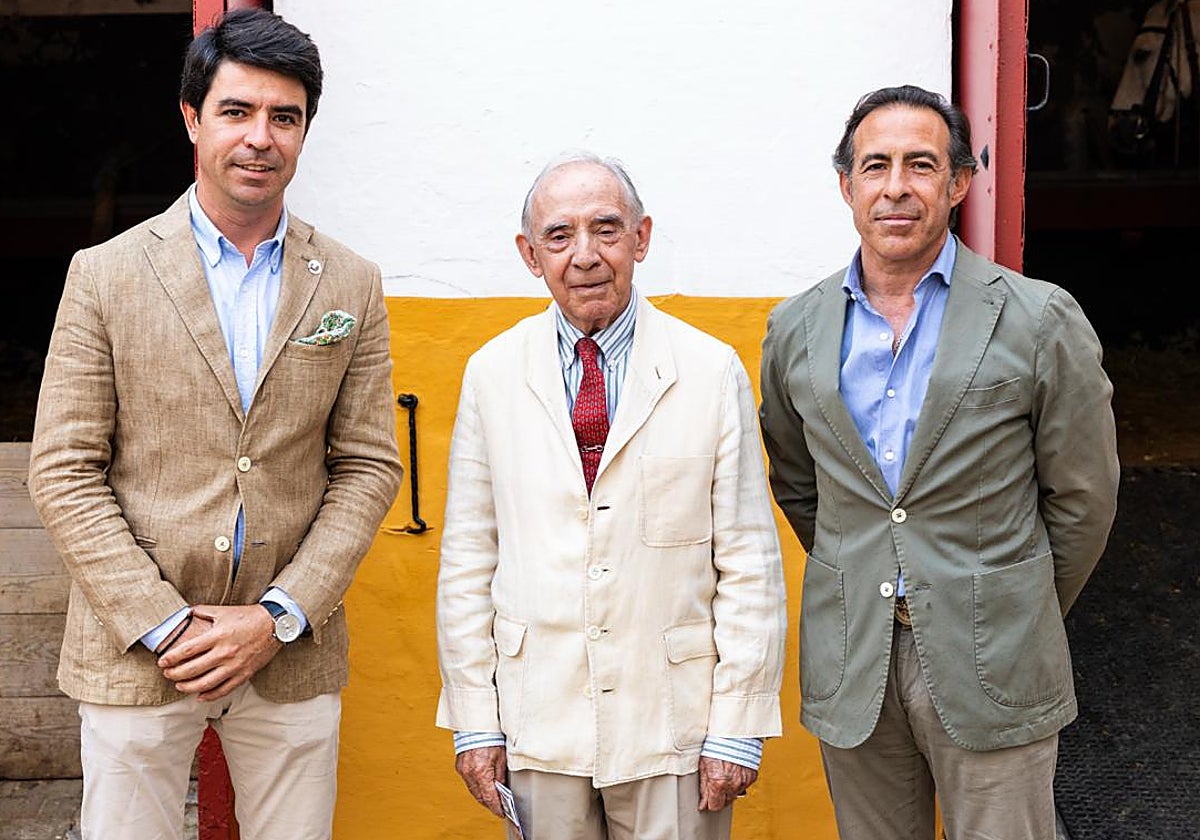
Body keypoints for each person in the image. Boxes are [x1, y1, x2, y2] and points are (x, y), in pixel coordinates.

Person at [27, 9, 403, 839]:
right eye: (237, 111)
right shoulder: (105, 274)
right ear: (193, 118)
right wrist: (167, 623)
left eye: (285, 116)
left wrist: (279, 615)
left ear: (305, 131)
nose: (260, 137)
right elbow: (62, 467)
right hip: (137, 650)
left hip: (289, 650)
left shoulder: (350, 281)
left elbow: (371, 464)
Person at [758, 84, 1121, 839]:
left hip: (997, 656)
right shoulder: (795, 328)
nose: (896, 187)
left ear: (958, 182)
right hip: (854, 654)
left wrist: (1013, 604)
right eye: (876, 166)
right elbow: (798, 483)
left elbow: (1083, 499)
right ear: (846, 186)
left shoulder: (1038, 316)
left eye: (921, 165)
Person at [435, 152, 787, 839]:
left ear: (642, 238)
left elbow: (748, 560)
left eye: (607, 229)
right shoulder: (492, 374)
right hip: (538, 715)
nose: (586, 255)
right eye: (559, 236)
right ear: (530, 255)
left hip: (674, 722)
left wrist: (738, 726)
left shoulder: (711, 370)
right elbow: (468, 560)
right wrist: (476, 719)